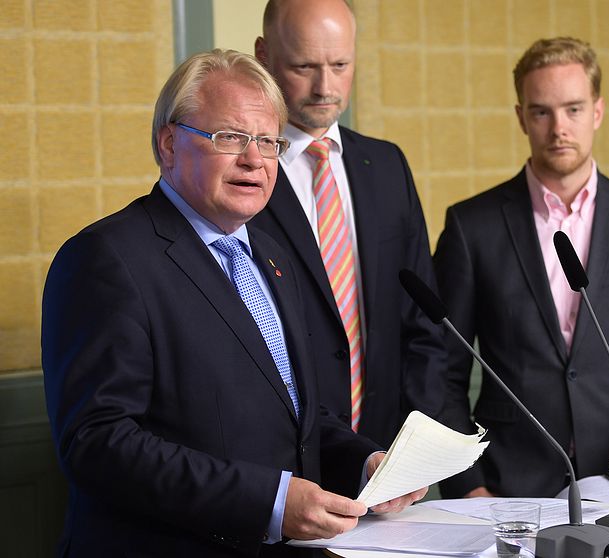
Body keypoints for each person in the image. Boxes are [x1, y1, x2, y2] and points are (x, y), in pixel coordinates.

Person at [41, 49, 424, 557]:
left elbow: (293, 413)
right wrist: (268, 500)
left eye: (267, 142)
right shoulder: (105, 258)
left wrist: (364, 460)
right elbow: (97, 444)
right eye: (230, 138)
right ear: (169, 143)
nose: (254, 159)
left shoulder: (271, 254)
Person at [434, 37, 609, 499]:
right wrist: (467, 485)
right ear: (521, 117)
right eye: (542, 112)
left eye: (573, 109)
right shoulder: (470, 226)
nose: (559, 127)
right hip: (506, 487)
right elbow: (441, 369)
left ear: (597, 112)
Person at [251, 0, 445, 447]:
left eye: (340, 65)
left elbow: (423, 321)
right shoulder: (243, 173)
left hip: (387, 451)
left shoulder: (387, 164)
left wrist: (420, 439)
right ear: (264, 55)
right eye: (304, 66)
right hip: (283, 455)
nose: (325, 87)